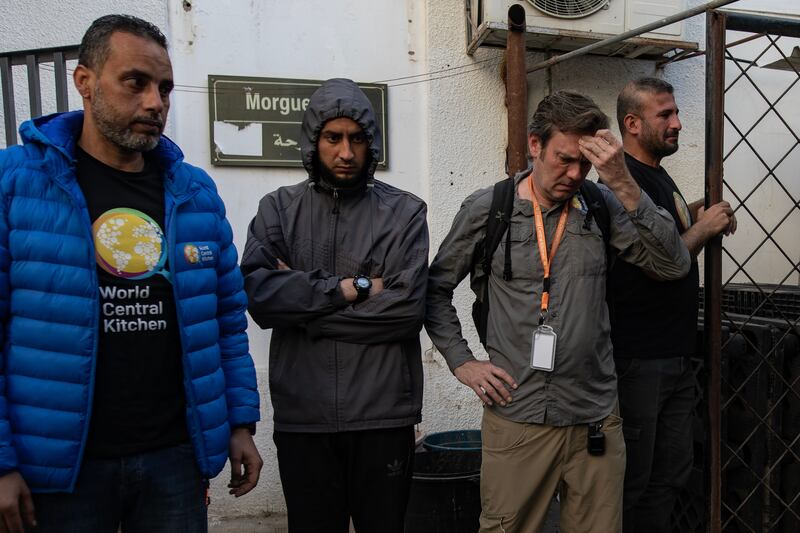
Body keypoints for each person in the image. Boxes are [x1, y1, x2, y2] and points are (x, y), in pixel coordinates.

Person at [0, 15, 261, 533]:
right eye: (135, 82)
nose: (154, 102)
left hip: (173, 459)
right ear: (85, 81)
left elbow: (227, 321)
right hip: (58, 469)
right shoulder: (16, 183)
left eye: (163, 88)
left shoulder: (193, 192)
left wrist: (239, 422)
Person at [426, 90, 691, 533]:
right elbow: (434, 290)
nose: (574, 174)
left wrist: (622, 180)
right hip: (518, 414)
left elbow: (673, 264)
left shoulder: (599, 204)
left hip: (595, 419)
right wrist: (463, 362)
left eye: (584, 163)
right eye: (563, 159)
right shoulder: (490, 208)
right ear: (535, 145)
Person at [241, 78, 428, 532]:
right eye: (333, 138)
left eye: (357, 138)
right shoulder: (278, 210)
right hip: (305, 418)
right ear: (313, 140)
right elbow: (262, 298)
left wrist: (307, 315)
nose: (346, 152)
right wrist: (352, 288)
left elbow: (406, 311)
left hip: (383, 415)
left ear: (372, 143)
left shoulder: (404, 213)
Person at [610, 77, 735, 533]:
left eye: (676, 112)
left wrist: (698, 214)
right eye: (665, 114)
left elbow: (668, 236)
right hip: (640, 360)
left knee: (670, 475)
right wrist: (702, 230)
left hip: (675, 356)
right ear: (632, 123)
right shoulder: (622, 184)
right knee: (635, 481)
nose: (678, 123)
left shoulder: (657, 178)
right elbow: (660, 263)